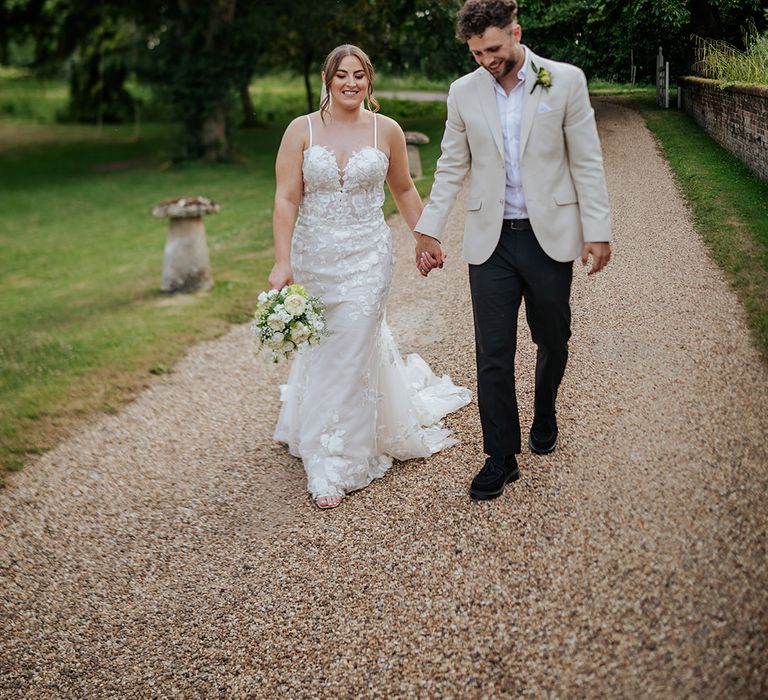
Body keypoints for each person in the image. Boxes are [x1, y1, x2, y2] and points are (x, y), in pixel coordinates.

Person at [415, 0, 612, 500]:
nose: (486, 60)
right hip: (491, 242)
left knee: (554, 337)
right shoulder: (463, 92)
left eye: (495, 49)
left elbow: (586, 161)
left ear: (516, 33)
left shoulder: (563, 80)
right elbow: (451, 165)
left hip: (549, 240)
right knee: (493, 354)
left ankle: (544, 409)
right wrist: (428, 229)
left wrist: (598, 229)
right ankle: (500, 456)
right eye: (477, 52)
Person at [269, 44, 471, 509]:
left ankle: (335, 461)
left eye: (359, 75)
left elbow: (402, 187)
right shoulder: (301, 131)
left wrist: (427, 238)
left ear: (369, 81)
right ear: (327, 77)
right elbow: (285, 199)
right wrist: (283, 262)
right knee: (325, 348)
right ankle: (320, 428)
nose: (351, 83)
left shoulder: (387, 130)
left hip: (367, 256)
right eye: (342, 75)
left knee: (353, 344)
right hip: (315, 255)